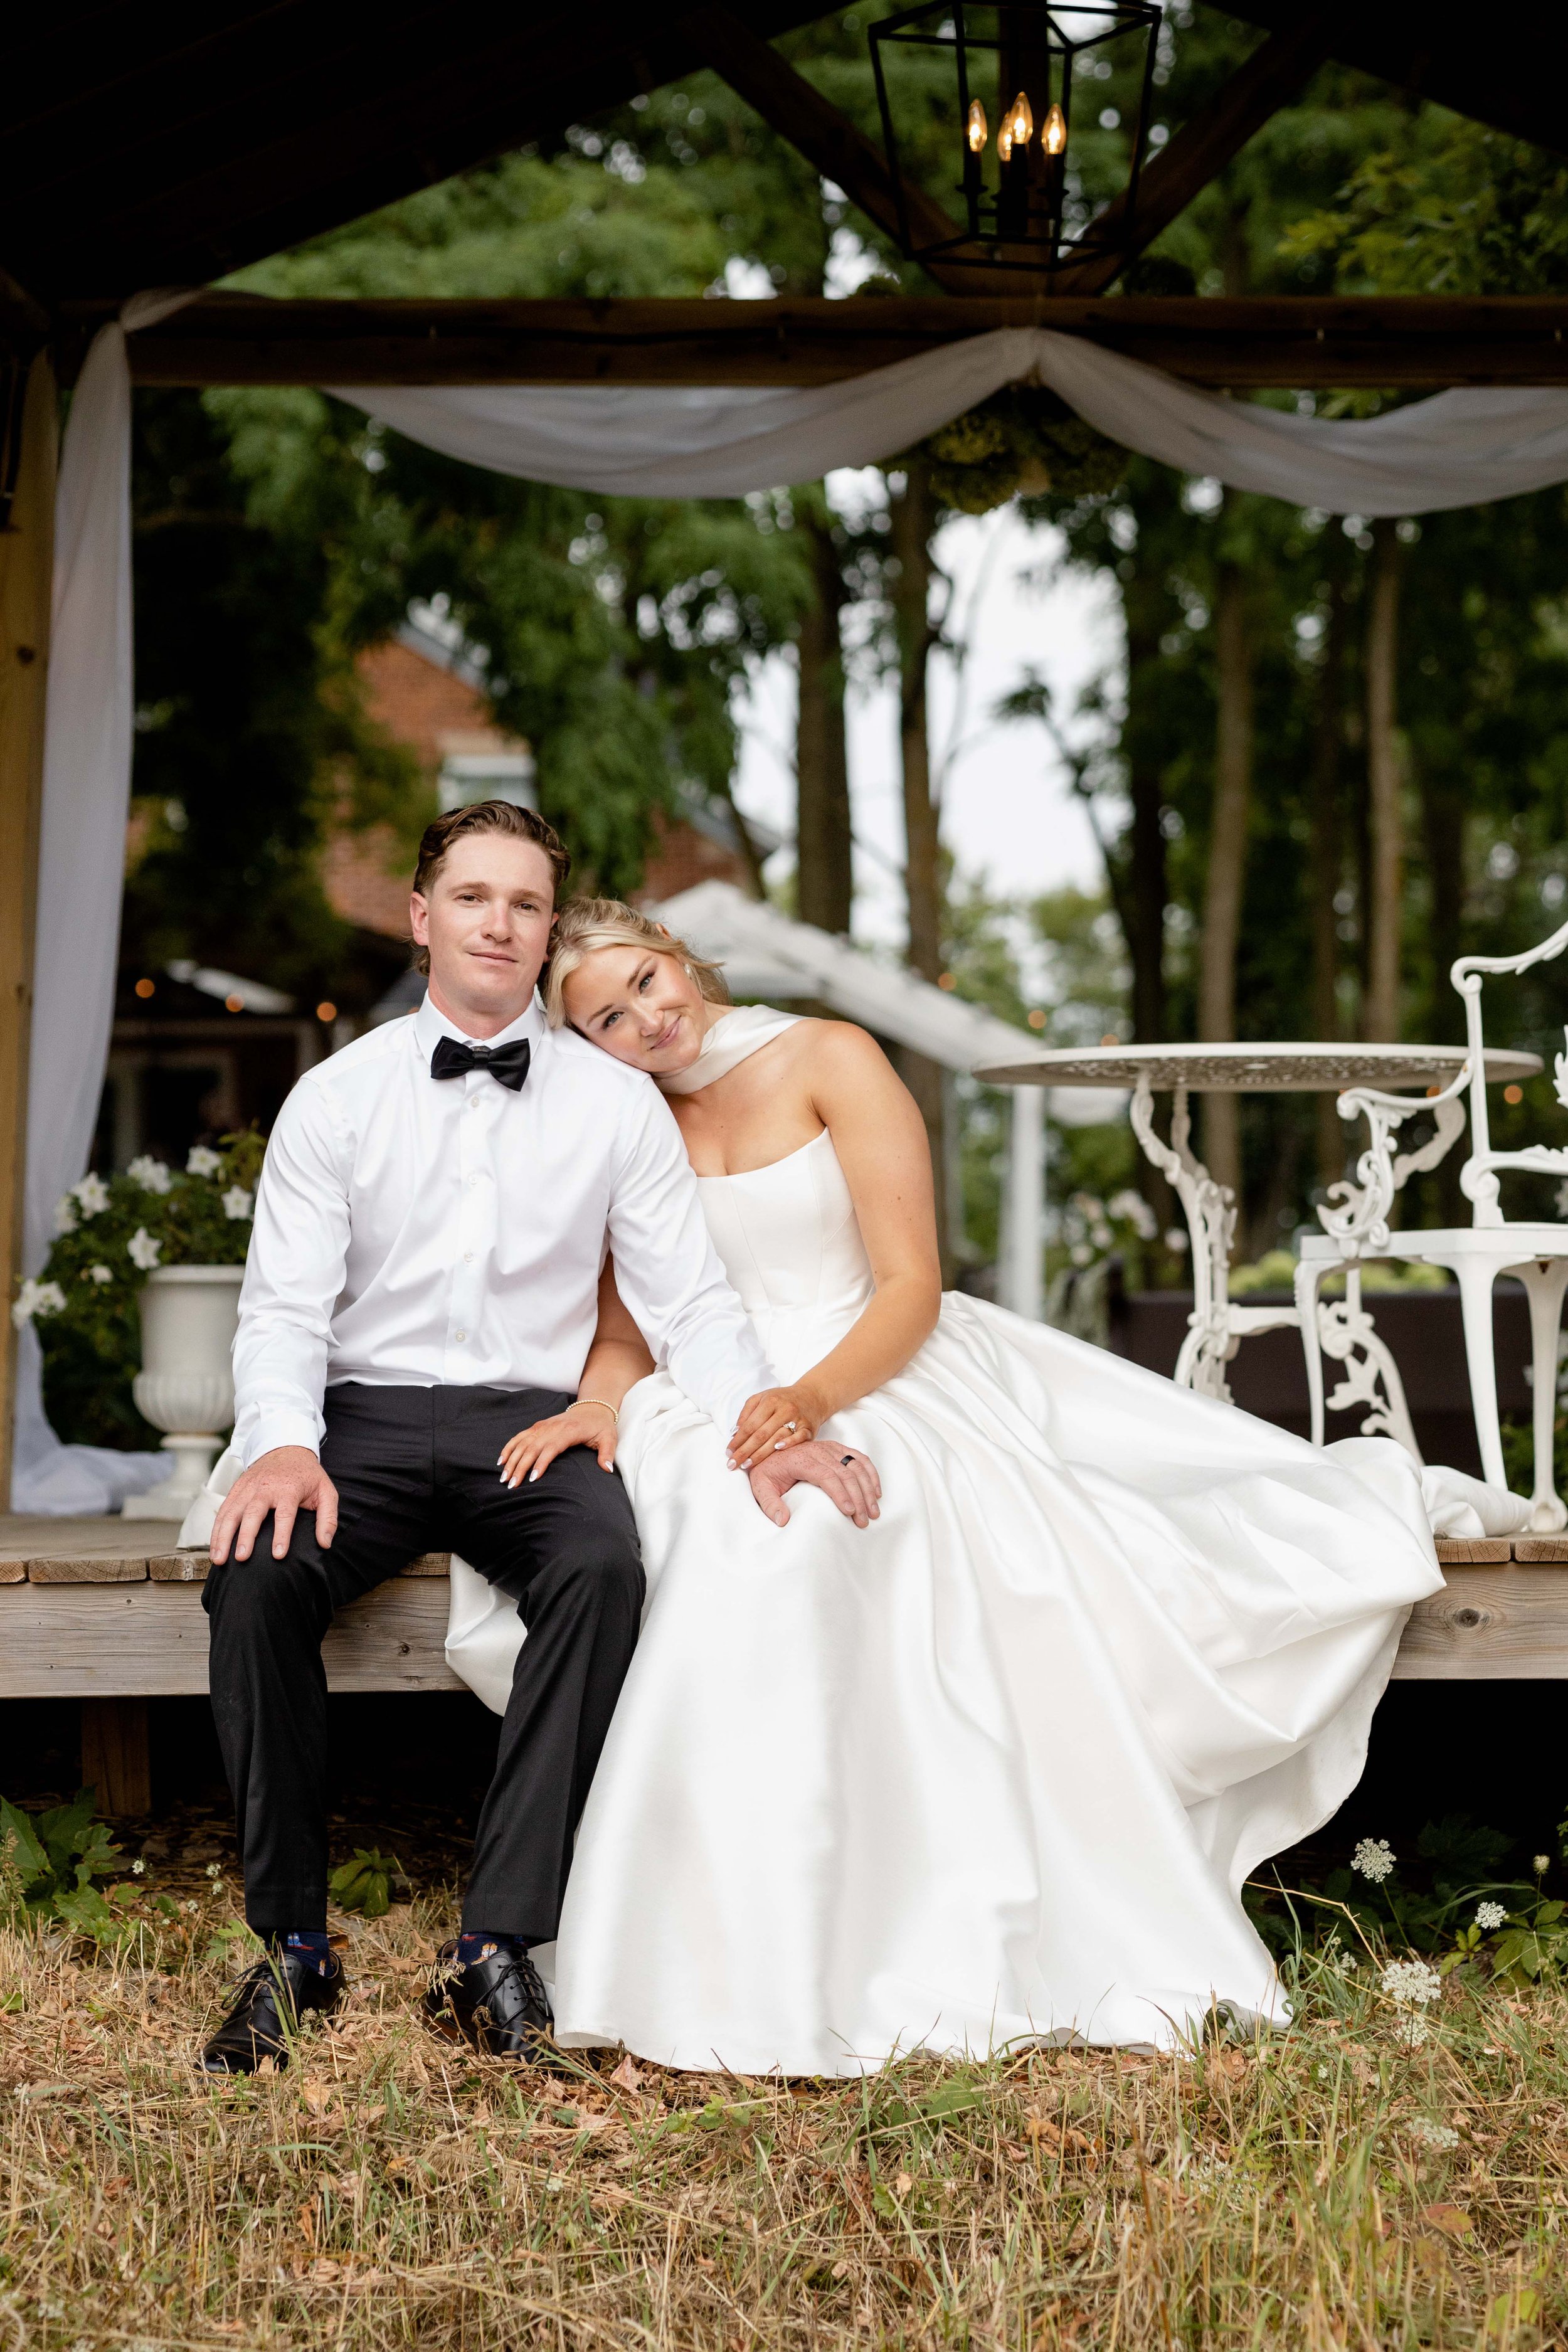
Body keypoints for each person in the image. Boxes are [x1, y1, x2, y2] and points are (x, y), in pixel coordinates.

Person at [449, 897, 1512, 2075]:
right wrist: (598, 1407)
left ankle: (887, 1929)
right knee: (703, 1527)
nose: (648, 1017)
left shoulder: (829, 1057)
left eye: (649, 980)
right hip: (706, 1392)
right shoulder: (620, 1121)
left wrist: (806, 1401)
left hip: (871, 1358)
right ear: (583, 1043)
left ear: (678, 957)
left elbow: (912, 1282)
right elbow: (625, 1326)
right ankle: (716, 1937)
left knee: (828, 1528)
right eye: (607, 1016)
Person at [196, 807, 874, 2075]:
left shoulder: (617, 1106)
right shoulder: (333, 1100)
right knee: (253, 1579)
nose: (498, 923)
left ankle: (496, 1944)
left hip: (533, 1426)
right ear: (423, 918)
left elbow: (690, 1306)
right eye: (471, 898)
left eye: (523, 904)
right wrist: (282, 1443)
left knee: (601, 1570)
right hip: (365, 1419)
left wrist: (770, 1429)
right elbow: (283, 1306)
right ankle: (292, 1948)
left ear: (545, 930)